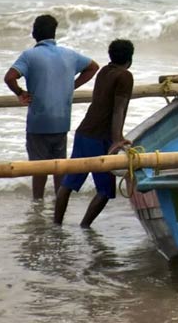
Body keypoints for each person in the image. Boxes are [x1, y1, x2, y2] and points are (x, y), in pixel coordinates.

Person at [4, 14, 99, 200]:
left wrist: (20, 93)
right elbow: (93, 67)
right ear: (54, 34)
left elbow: (9, 77)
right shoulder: (70, 54)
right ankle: (59, 202)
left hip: (39, 121)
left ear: (34, 33)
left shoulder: (29, 55)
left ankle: (37, 203)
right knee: (59, 166)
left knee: (38, 168)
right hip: (62, 121)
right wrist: (72, 85)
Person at [54, 39, 135, 228]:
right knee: (105, 190)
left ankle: (56, 225)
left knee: (69, 183)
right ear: (130, 58)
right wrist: (117, 140)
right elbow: (118, 108)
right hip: (100, 138)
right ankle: (85, 226)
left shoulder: (104, 71)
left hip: (84, 133)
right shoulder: (125, 76)